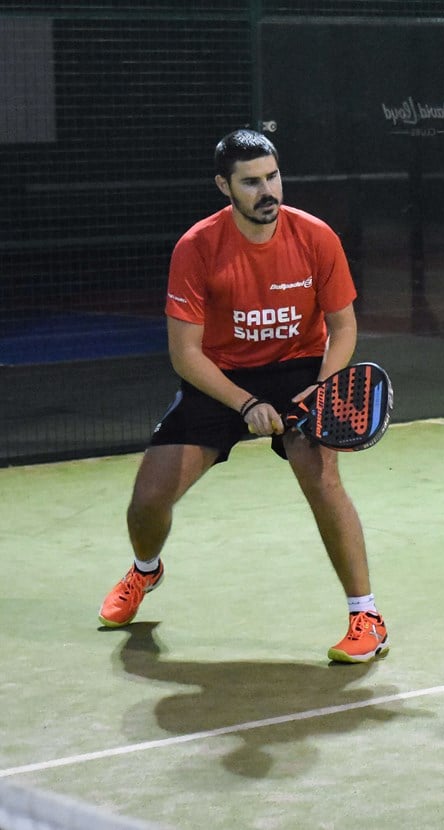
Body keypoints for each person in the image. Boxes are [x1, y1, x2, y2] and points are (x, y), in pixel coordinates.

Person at [98, 128, 388, 664]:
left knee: (322, 480)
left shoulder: (316, 237)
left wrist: (322, 385)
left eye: (272, 176)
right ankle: (145, 572)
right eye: (251, 182)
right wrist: (245, 404)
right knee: (148, 500)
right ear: (224, 186)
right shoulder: (197, 247)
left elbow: (342, 327)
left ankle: (366, 616)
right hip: (221, 375)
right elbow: (186, 353)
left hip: (299, 369)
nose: (267, 190)